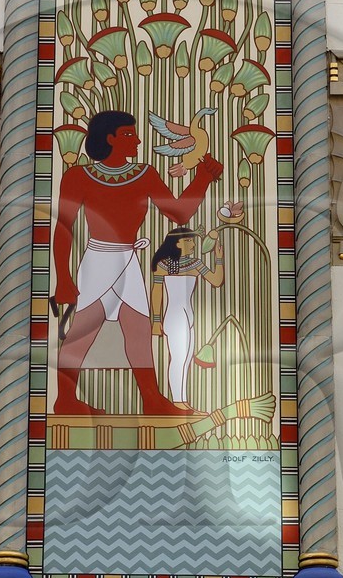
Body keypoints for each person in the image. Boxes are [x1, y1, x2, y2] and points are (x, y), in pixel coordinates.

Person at [53, 109, 223, 416]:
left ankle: (152, 400)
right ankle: (65, 399)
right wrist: (63, 279)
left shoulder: (145, 173)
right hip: (98, 259)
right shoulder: (77, 176)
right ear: (109, 138)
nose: (138, 140)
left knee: (139, 331)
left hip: (128, 259)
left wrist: (203, 177)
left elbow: (178, 213)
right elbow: (64, 227)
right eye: (129, 135)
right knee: (82, 331)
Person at [149, 226, 225, 410]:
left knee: (187, 358)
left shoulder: (195, 263)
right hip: (175, 316)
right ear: (177, 243)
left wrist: (219, 258)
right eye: (189, 240)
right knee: (178, 359)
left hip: (188, 316)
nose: (193, 244)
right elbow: (157, 291)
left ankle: (183, 401)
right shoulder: (165, 264)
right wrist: (156, 320)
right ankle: (178, 401)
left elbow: (216, 280)